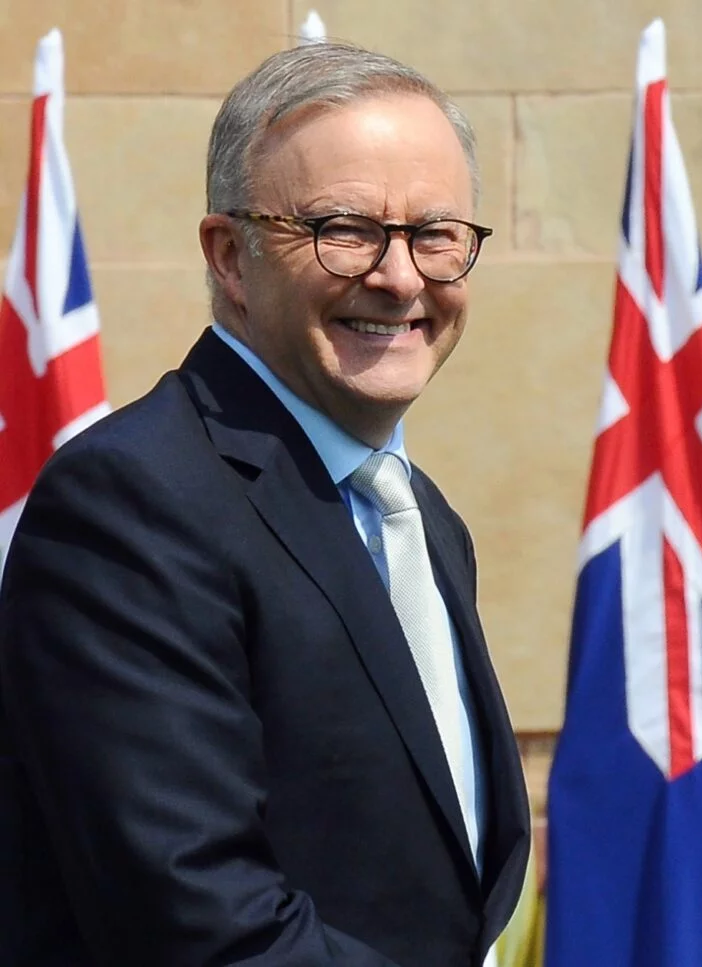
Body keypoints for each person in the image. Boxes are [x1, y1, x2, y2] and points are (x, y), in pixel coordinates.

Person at [0, 42, 529, 966]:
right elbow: (198, 915)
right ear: (229, 256)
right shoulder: (131, 504)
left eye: (436, 233)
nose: (401, 278)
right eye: (344, 228)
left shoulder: (423, 521)